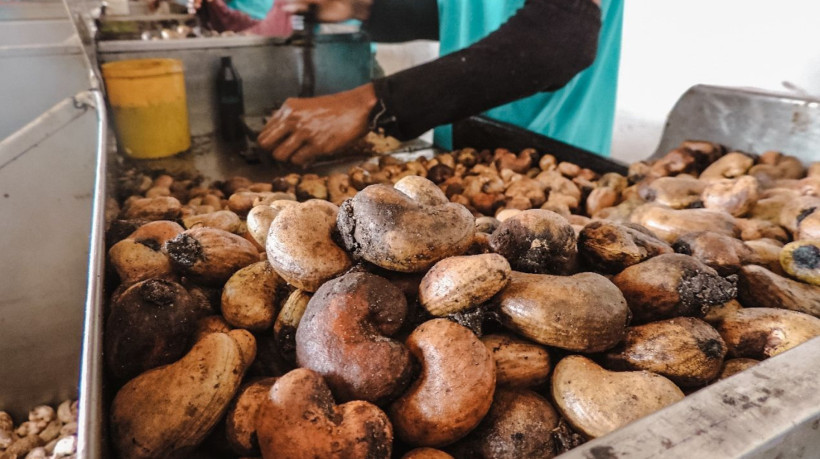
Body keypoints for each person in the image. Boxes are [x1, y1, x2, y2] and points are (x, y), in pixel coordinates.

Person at [259, 0, 622, 166]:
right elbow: (472, 12)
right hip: (463, 155)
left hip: (547, 164)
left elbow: (559, 39)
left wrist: (374, 102)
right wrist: (362, 7)